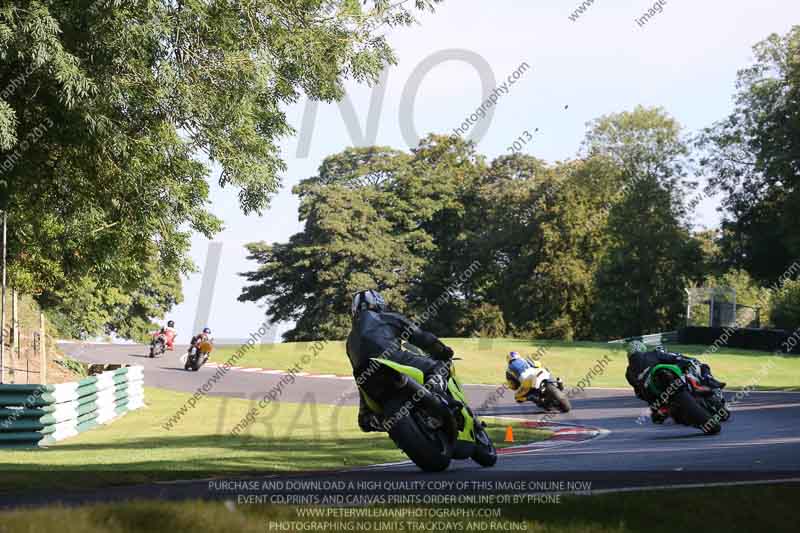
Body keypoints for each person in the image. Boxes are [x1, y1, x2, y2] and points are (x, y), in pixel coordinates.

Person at [346, 289, 455, 433]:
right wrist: (442, 351)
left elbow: (358, 375)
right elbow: (421, 337)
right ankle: (434, 390)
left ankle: (371, 418)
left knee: (365, 415)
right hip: (392, 359)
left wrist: (364, 412)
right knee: (439, 366)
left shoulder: (349, 340)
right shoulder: (386, 318)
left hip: (366, 379)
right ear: (379, 304)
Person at [625, 341, 725, 423]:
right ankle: (702, 386)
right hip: (665, 380)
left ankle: (665, 410)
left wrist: (652, 404)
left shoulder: (628, 372)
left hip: (651, 392)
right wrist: (687, 361)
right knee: (701, 367)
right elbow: (675, 358)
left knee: (657, 416)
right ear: (643, 349)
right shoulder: (652, 354)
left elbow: (638, 393)